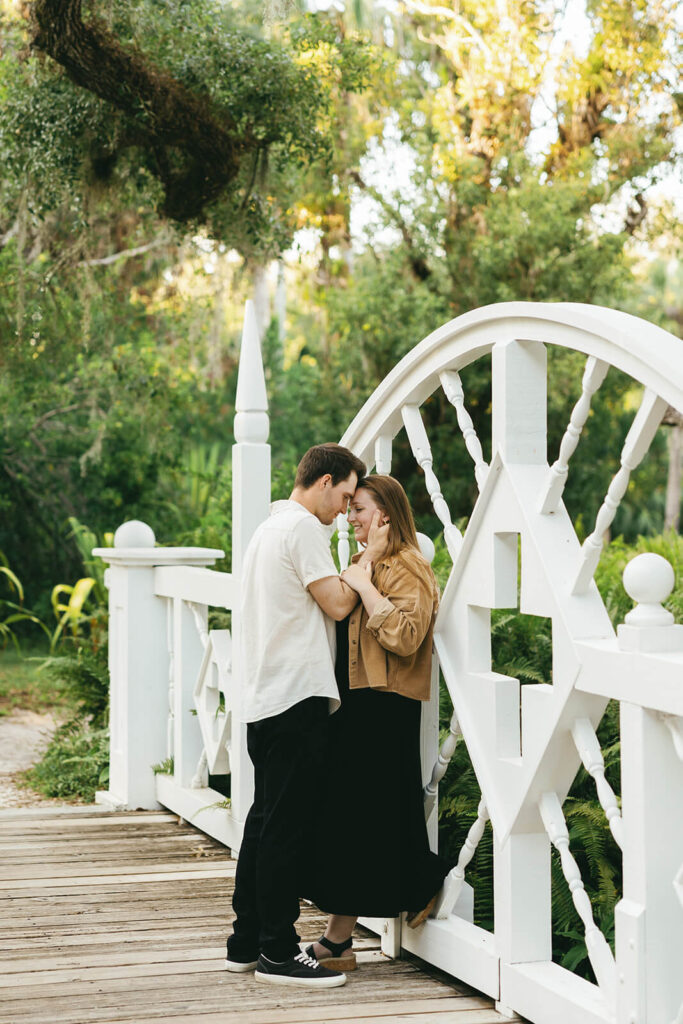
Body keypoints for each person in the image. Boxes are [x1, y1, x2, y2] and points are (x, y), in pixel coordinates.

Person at [225, 443, 389, 989]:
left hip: (264, 698)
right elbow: (339, 604)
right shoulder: (300, 531)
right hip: (295, 699)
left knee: (264, 822)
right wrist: (367, 562)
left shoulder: (266, 531)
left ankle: (245, 941)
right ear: (323, 482)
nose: (345, 510)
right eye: (345, 496)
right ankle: (277, 950)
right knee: (284, 830)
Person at [304, 474, 450, 971]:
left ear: (385, 514)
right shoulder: (372, 562)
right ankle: (413, 885)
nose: (350, 517)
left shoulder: (408, 567)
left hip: (385, 705)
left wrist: (364, 584)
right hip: (359, 701)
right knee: (364, 817)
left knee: (361, 819)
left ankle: (338, 941)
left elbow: (407, 638)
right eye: (349, 508)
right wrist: (363, 572)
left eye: (360, 509)